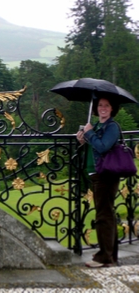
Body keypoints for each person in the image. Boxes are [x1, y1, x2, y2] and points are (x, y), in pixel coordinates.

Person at [76, 97, 121, 268]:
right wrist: (83, 140)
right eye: (100, 105)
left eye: (106, 105)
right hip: (96, 174)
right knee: (106, 214)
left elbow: (103, 147)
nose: (103, 108)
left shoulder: (112, 127)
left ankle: (104, 257)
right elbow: (92, 147)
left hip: (106, 176)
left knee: (103, 216)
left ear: (112, 108)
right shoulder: (96, 126)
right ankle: (111, 255)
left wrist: (89, 133)